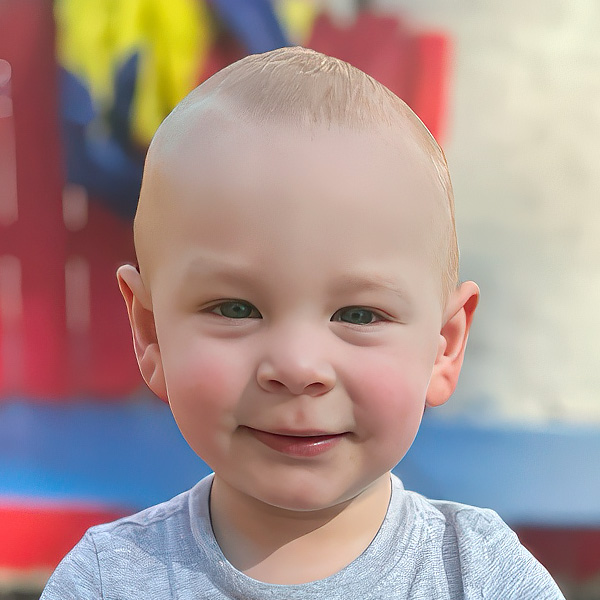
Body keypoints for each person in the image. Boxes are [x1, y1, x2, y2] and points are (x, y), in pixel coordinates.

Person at [41, 46, 565, 599]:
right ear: (150, 333)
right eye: (235, 309)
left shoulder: (481, 580)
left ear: (444, 347)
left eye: (359, 314)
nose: (297, 366)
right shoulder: (108, 582)